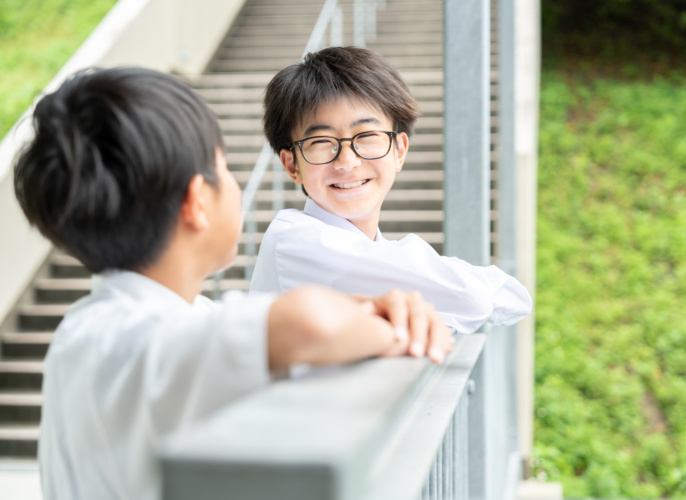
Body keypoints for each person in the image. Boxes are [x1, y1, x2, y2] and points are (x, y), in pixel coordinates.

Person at [13, 67, 453, 500]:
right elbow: (309, 322)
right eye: (223, 167)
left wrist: (370, 308)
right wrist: (395, 324)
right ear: (197, 203)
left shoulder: (102, 324)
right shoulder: (134, 337)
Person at [250, 46, 533, 339]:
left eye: (367, 136)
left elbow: (511, 299)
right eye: (322, 142)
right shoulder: (297, 241)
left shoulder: (373, 251)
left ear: (399, 151)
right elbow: (476, 298)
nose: (347, 161)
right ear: (291, 165)